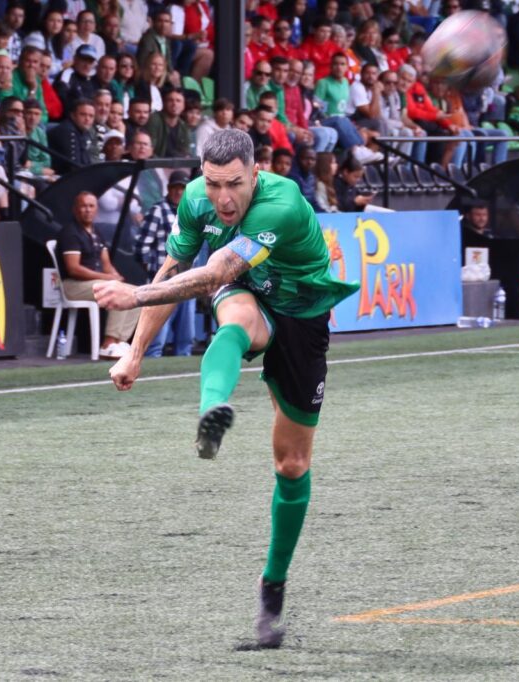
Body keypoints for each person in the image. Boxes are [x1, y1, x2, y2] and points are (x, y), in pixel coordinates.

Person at [92, 129, 359, 649]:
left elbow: (215, 269)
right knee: (234, 317)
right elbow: (174, 270)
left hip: (302, 313)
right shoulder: (195, 200)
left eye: (234, 183)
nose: (223, 198)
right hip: (248, 294)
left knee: (292, 464)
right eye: (213, 184)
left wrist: (134, 295)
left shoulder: (281, 204)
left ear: (255, 173)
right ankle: (212, 411)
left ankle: (272, 588)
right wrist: (135, 352)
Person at [56, 191, 141, 358]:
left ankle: (119, 341)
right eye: (83, 206)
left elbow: (106, 264)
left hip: (94, 284)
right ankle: (108, 344)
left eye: (91, 206)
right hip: (72, 285)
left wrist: (116, 276)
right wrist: (109, 279)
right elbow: (74, 269)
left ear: (96, 209)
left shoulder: (96, 232)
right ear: (75, 209)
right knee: (116, 291)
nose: (87, 210)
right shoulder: (70, 232)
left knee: (137, 294)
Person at [134, 169, 196, 358]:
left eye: (182, 188)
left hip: (188, 278)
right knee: (157, 335)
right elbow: (141, 247)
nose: (178, 191)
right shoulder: (158, 210)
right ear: (168, 189)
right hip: (164, 279)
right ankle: (151, 365)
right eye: (175, 187)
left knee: (186, 335)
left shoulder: (191, 212)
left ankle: (181, 368)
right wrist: (155, 272)